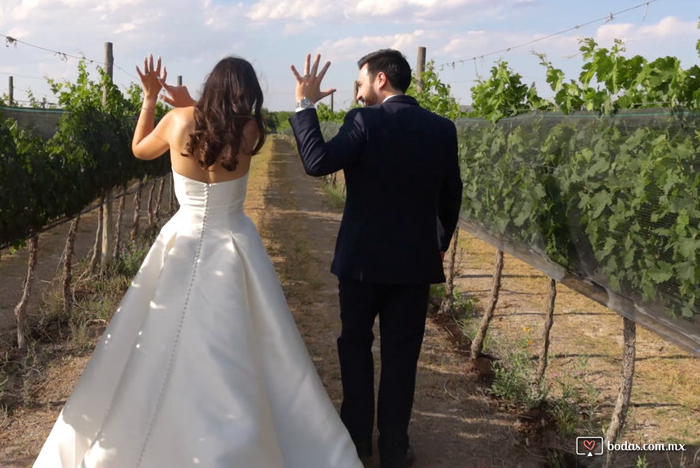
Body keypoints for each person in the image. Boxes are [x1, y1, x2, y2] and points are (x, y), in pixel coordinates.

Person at [33, 55, 362, 468]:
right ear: (247, 92)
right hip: (234, 241)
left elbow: (139, 149)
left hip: (183, 238)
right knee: (247, 340)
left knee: (155, 334)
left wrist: (151, 99)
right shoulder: (251, 129)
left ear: (211, 85)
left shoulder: (178, 122)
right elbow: (220, 126)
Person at [288, 49, 462, 468]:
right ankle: (395, 448)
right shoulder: (442, 129)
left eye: (361, 81)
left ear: (381, 79)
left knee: (355, 346)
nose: (358, 90)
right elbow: (451, 194)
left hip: (361, 264)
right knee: (402, 355)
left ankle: (357, 442)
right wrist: (438, 243)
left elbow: (316, 162)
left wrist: (304, 105)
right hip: (414, 266)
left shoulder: (363, 122)